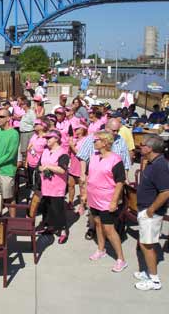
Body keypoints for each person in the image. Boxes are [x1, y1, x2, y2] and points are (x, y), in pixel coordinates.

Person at [87, 131, 127, 272]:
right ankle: (101, 249)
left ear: (104, 142)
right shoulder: (93, 157)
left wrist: (114, 201)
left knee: (109, 229)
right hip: (93, 197)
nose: (94, 142)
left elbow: (120, 182)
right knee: (97, 223)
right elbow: (89, 176)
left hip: (107, 199)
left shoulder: (116, 160)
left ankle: (121, 259)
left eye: (96, 140)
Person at [134, 135, 169, 290]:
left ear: (149, 148)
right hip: (146, 209)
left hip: (151, 212)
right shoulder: (153, 163)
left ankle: (154, 280)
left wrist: (151, 210)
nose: (140, 147)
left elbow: (165, 192)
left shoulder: (160, 166)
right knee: (144, 242)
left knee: (147, 245)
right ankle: (148, 272)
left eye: (142, 145)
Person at [38, 130, 70, 244]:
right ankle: (50, 227)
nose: (47, 140)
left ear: (57, 139)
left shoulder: (63, 153)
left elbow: (62, 169)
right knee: (47, 208)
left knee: (58, 210)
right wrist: (41, 168)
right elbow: (39, 165)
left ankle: (63, 231)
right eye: (46, 138)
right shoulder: (45, 151)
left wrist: (48, 166)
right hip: (45, 185)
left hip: (57, 187)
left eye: (49, 138)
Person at [68, 122, 88, 214]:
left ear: (83, 129)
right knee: (70, 185)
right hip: (73, 166)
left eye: (77, 129)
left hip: (81, 167)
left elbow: (81, 154)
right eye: (75, 129)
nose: (75, 130)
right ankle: (70, 202)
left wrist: (72, 146)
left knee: (82, 187)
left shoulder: (85, 141)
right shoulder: (75, 139)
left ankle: (82, 205)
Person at [25, 119, 47, 199]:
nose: (34, 125)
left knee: (38, 185)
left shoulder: (46, 138)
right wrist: (26, 161)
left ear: (42, 126)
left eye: (37, 124)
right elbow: (28, 148)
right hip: (30, 163)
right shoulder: (34, 135)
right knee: (31, 183)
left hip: (39, 165)